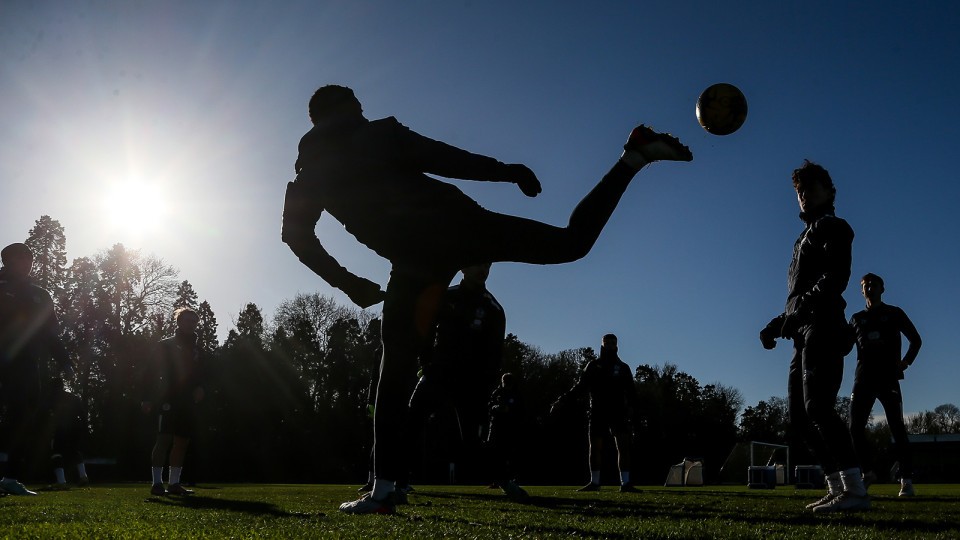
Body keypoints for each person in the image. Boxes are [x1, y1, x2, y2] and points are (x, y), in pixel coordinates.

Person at [281, 85, 692, 514]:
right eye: (358, 108)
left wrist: (349, 283)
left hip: (418, 255)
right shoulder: (372, 137)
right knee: (571, 243)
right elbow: (444, 157)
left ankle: (383, 489)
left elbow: (295, 235)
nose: (363, 113)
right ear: (347, 109)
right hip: (453, 230)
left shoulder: (310, 173)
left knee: (395, 372)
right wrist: (506, 171)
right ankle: (633, 158)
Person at [759, 160, 867, 513]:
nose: (804, 196)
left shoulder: (834, 226)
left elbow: (835, 279)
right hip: (803, 330)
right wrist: (777, 325)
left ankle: (855, 490)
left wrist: (801, 309)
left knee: (818, 406)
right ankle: (838, 487)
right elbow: (798, 296)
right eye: (799, 192)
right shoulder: (801, 238)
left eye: (811, 188)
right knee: (800, 417)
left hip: (824, 323)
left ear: (830, 192)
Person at [405, 263, 511, 495]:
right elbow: (426, 329)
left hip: (471, 381)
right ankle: (397, 480)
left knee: (473, 439)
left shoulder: (492, 308)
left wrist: (486, 381)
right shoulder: (446, 295)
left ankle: (504, 479)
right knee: (412, 421)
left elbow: (495, 351)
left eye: (487, 264)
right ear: (464, 267)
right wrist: (427, 364)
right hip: (438, 373)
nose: (483, 269)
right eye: (477, 264)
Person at [0, 242, 73, 496]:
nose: (26, 261)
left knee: (22, 416)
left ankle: (9, 477)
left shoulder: (41, 294)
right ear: (6, 261)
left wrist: (64, 360)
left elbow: (50, 333)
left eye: (29, 257)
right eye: (20, 257)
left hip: (27, 364)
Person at [848, 273, 921, 497]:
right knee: (854, 427)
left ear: (882, 288)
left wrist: (905, 362)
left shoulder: (894, 313)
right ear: (861, 291)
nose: (869, 287)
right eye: (865, 285)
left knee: (897, 428)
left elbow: (916, 340)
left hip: (888, 378)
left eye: (873, 284)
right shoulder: (856, 318)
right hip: (863, 380)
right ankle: (867, 473)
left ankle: (906, 480)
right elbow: (842, 346)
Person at [551, 334, 637, 493]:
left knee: (623, 446)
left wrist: (632, 408)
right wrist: (562, 400)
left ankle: (626, 483)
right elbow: (580, 386)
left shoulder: (623, 367)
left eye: (613, 342)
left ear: (617, 344)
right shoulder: (593, 365)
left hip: (618, 411)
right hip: (598, 410)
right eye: (607, 342)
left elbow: (631, 391)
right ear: (602, 344)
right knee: (595, 447)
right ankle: (595, 482)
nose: (611, 344)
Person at [141, 307, 205, 496]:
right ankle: (157, 484)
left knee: (182, 442)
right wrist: (146, 397)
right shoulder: (165, 345)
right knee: (163, 439)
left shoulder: (198, 350)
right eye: (187, 321)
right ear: (178, 322)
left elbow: (201, 373)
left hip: (188, 402)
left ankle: (175, 484)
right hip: (167, 399)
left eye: (194, 322)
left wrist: (201, 387)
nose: (191, 325)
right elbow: (150, 372)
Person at [43, 379, 90, 490]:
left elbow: (45, 414)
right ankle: (83, 476)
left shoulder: (52, 398)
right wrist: (84, 429)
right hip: (75, 428)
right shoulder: (73, 398)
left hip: (61, 428)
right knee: (75, 451)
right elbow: (82, 414)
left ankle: (61, 481)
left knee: (56, 453)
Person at [486, 372, 527, 501]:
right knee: (496, 454)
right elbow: (489, 407)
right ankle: (498, 479)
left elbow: (521, 410)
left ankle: (510, 480)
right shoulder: (497, 393)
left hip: (510, 428)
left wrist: (509, 410)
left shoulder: (516, 395)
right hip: (496, 427)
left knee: (508, 455)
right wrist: (496, 408)